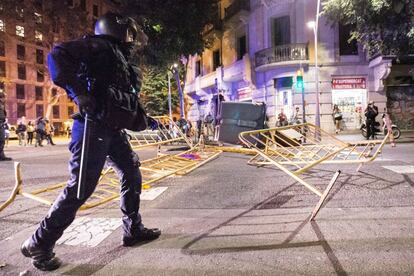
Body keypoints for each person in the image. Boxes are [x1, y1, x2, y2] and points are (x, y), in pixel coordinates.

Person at [21, 13, 160, 271]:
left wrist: (145, 120)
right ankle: (39, 242)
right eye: (128, 34)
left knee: (131, 171)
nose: (131, 40)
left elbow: (123, 99)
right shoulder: (96, 45)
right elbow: (57, 55)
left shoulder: (120, 60)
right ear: (115, 30)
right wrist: (78, 93)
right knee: (80, 188)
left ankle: (133, 229)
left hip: (113, 129)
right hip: (92, 127)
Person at [0, 92, 12, 161]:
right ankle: (1, 156)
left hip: (1, 123)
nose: (5, 99)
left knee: (1, 140)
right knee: (1, 140)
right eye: (4, 97)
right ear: (2, 98)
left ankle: (1, 156)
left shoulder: (2, 104)